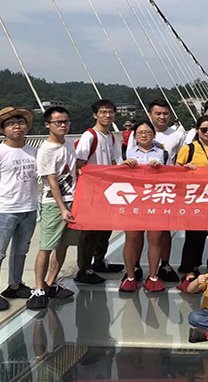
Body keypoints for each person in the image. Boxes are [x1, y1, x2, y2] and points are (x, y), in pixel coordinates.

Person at [0, 107, 38, 311]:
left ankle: (15, 285)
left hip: (29, 208)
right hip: (6, 210)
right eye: (11, 124)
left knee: (21, 251)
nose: (17, 127)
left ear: (27, 127)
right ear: (3, 130)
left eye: (20, 122)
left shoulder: (33, 151)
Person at [127, 99, 186, 283]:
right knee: (136, 233)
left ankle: (164, 265)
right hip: (137, 194)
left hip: (163, 192)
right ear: (150, 114)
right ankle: (135, 266)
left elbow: (179, 161)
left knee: (162, 231)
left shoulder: (177, 135)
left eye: (165, 113)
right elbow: (126, 162)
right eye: (158, 113)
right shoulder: (136, 136)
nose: (162, 117)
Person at [27, 106, 78, 310]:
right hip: (53, 204)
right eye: (58, 122)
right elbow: (52, 182)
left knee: (63, 245)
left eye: (66, 121)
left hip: (73, 200)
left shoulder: (70, 143)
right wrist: (62, 208)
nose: (63, 125)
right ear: (48, 125)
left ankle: (51, 283)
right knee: (46, 247)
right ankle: (39, 288)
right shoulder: (46, 150)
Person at [75, 99, 123, 284]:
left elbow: (116, 161)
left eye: (110, 112)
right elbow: (80, 162)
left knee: (105, 227)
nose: (107, 115)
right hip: (91, 190)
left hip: (107, 190)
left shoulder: (110, 136)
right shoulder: (90, 136)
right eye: (103, 112)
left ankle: (99, 260)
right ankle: (84, 269)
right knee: (89, 230)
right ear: (95, 115)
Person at [119, 119, 170, 293]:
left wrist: (161, 169)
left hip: (156, 201)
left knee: (155, 240)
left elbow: (173, 176)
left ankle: (153, 276)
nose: (144, 135)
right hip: (134, 202)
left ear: (154, 135)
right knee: (131, 239)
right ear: (135, 136)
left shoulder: (163, 154)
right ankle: (130, 276)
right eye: (140, 132)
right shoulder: (128, 153)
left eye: (148, 132)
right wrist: (124, 166)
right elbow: (116, 175)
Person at [176, 115, 208, 291]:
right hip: (194, 197)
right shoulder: (188, 149)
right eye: (204, 129)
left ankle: (204, 265)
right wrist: (186, 169)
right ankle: (189, 269)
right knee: (194, 234)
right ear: (197, 130)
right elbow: (176, 170)